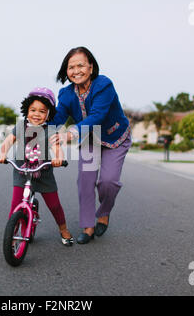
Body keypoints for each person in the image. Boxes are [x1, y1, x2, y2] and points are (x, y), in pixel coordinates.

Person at [49, 47, 132, 244]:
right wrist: (38, 126)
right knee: (85, 182)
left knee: (108, 182)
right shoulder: (66, 93)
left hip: (115, 137)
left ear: (91, 67)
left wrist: (70, 134)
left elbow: (97, 116)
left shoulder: (103, 85)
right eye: (71, 67)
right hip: (90, 140)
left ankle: (104, 213)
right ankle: (88, 227)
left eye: (80, 65)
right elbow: (58, 118)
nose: (76, 71)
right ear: (66, 71)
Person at [0, 87, 74, 246]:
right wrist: (2, 153)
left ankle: (63, 228)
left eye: (42, 111)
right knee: (15, 205)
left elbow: (57, 149)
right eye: (33, 110)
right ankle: (11, 237)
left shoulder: (50, 130)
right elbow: (8, 141)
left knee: (54, 205)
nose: (37, 114)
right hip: (21, 171)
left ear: (48, 114)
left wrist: (59, 158)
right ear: (27, 109)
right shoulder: (20, 126)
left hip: (43, 172)